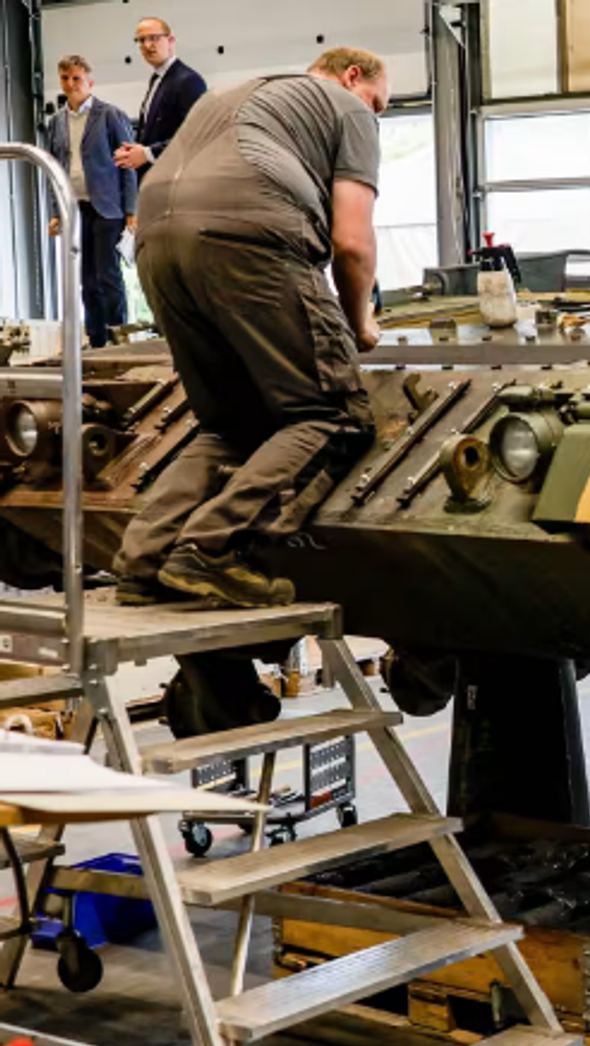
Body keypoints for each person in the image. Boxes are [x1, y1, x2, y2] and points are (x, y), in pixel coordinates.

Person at [111, 48, 389, 609]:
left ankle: (141, 562)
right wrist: (360, 323)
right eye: (379, 103)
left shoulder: (234, 93)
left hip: (155, 239)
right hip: (248, 230)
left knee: (229, 423)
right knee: (331, 414)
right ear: (353, 76)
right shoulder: (347, 108)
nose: (376, 116)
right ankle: (211, 551)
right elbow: (352, 243)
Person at [46, 57, 137, 350]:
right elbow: (52, 167)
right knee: (86, 280)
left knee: (108, 275)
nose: (70, 84)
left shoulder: (110, 115)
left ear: (89, 82)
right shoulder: (56, 122)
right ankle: (97, 341)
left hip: (108, 207)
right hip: (75, 208)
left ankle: (119, 338)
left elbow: (128, 163)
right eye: (65, 79)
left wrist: (132, 210)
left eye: (76, 79)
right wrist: (55, 211)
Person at [115, 16, 208, 178]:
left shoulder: (188, 80)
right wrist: (134, 151)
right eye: (141, 40)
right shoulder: (157, 79)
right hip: (154, 180)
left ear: (170, 40)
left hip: (176, 181)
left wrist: (148, 153)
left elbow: (196, 135)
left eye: (153, 38)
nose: (146, 45)